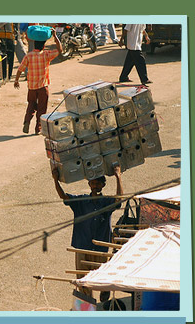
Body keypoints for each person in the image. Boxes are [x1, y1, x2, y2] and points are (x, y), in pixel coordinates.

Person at [52, 165, 123, 298]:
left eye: (98, 183)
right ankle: (86, 310)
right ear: (89, 184)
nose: (95, 185)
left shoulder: (106, 202)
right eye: (93, 183)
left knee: (101, 275)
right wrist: (55, 180)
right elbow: (63, 196)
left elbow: (119, 199)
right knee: (83, 282)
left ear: (103, 185)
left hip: (101, 247)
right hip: (82, 247)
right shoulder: (81, 201)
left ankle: (104, 290)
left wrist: (118, 176)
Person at [14, 27, 62, 135]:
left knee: (31, 105)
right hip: (42, 87)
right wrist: (55, 36)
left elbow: (20, 69)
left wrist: (16, 80)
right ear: (43, 46)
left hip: (31, 87)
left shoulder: (28, 56)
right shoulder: (46, 55)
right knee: (41, 108)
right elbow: (60, 50)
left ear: (34, 45)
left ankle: (27, 120)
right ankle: (38, 129)